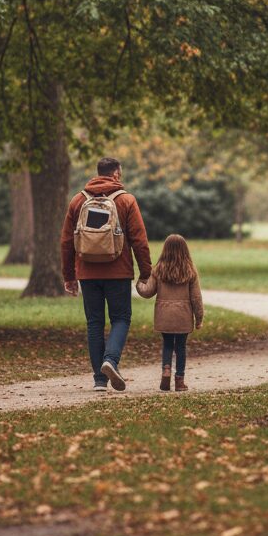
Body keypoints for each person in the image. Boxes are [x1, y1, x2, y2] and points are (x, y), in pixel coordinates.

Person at [61, 157, 152, 392]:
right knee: (121, 318)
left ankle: (99, 381)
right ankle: (110, 360)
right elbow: (139, 240)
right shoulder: (126, 200)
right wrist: (145, 272)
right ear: (116, 174)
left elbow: (67, 242)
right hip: (118, 271)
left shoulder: (78, 200)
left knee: (94, 323)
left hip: (87, 272)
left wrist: (69, 276)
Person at [136, 234, 203, 392]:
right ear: (185, 250)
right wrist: (199, 318)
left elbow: (147, 292)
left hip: (164, 315)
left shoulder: (158, 270)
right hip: (183, 316)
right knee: (180, 347)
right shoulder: (190, 271)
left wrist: (139, 283)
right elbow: (196, 298)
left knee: (167, 344)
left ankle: (166, 370)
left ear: (165, 250)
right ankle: (179, 381)